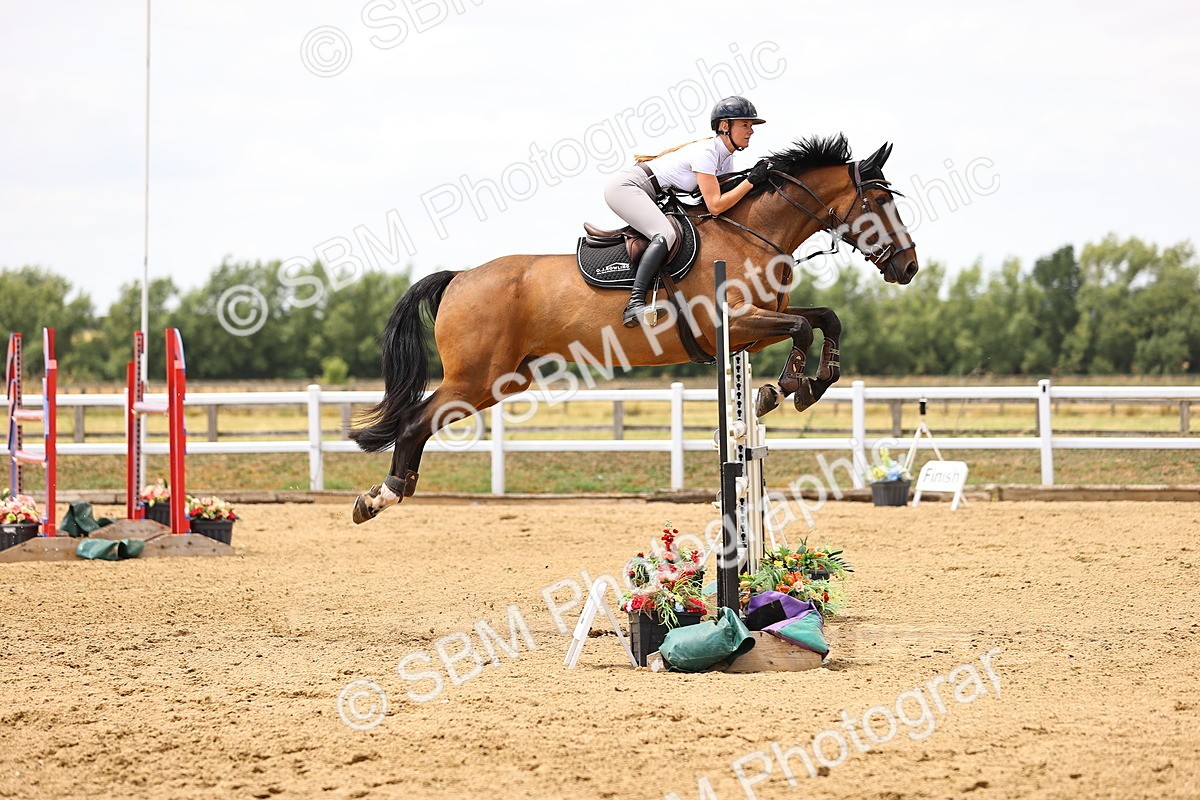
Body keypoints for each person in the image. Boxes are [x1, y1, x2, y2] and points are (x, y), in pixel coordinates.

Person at [603, 95, 771, 327]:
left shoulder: (725, 160)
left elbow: (723, 205)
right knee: (666, 234)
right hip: (627, 187)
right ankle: (634, 304)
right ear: (725, 126)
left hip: (649, 192)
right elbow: (715, 205)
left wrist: (757, 181)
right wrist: (751, 182)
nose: (751, 131)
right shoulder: (708, 153)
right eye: (745, 124)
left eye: (751, 126)